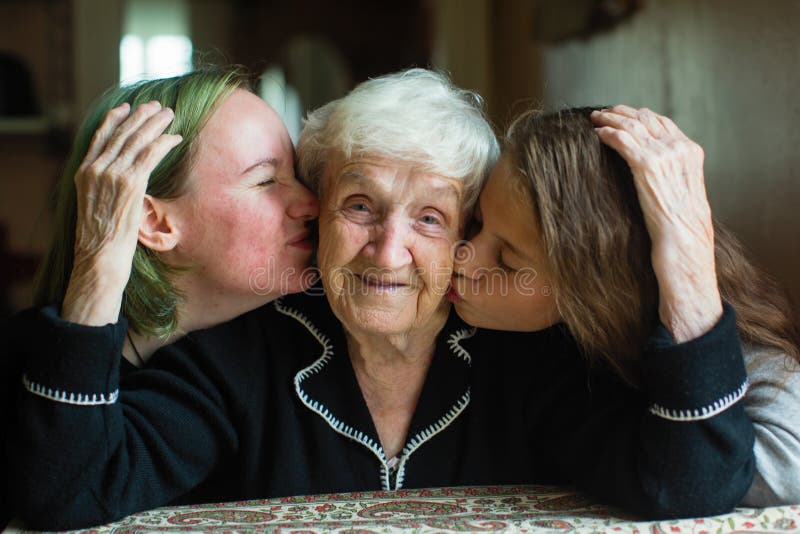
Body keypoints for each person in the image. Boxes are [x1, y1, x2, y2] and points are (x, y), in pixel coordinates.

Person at [9, 70, 754, 530]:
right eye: (360, 205)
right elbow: (69, 490)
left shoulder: (524, 355)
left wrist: (685, 254)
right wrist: (99, 255)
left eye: (430, 218)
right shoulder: (244, 351)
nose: (388, 251)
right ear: (321, 210)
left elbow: (690, 481)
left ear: (468, 232)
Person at [1, 67, 318, 526]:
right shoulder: (19, 365)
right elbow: (65, 496)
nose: (309, 202)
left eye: (296, 174)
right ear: (152, 222)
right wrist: (101, 256)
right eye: (266, 181)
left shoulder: (292, 345)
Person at [450, 105, 800, 506]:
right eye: (475, 223)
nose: (462, 257)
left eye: (507, 262)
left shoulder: (746, 348)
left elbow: (772, 473)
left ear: (593, 292)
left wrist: (687, 251)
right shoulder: (522, 343)